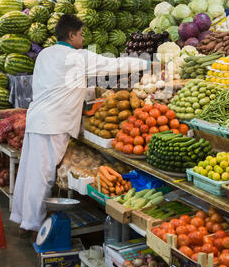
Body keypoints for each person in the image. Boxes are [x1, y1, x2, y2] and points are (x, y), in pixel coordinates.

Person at [10, 14, 149, 241]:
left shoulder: (45, 54)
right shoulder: (77, 57)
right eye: (81, 34)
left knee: (28, 170)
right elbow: (113, 65)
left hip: (37, 118)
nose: (83, 39)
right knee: (43, 174)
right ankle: (32, 224)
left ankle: (21, 217)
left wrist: (85, 95)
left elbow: (56, 85)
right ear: (71, 35)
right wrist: (148, 63)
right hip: (53, 123)